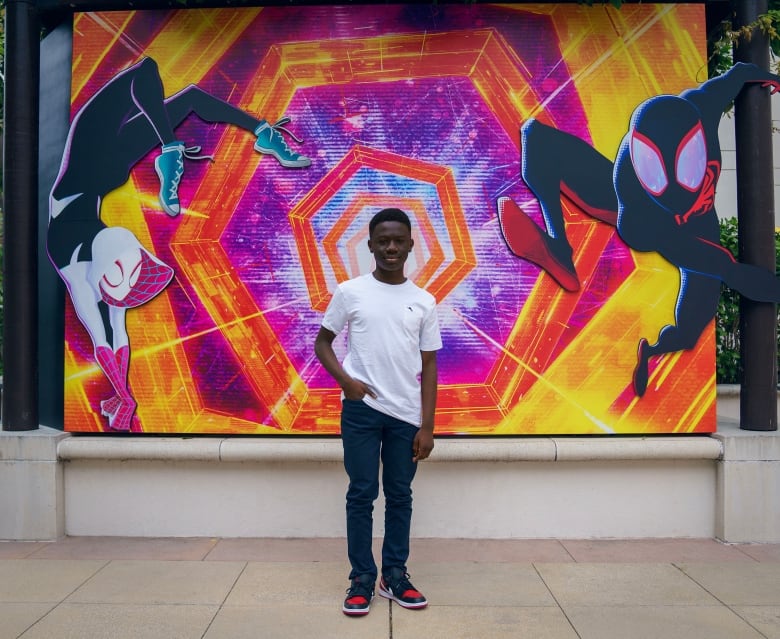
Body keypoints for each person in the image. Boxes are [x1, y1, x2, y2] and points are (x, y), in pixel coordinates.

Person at [47, 56, 310, 431]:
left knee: (148, 75)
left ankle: (172, 151)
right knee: (184, 97)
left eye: (129, 262)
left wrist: (123, 396)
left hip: (89, 169)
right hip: (105, 172)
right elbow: (111, 336)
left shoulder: (80, 270)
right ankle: (260, 132)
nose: (131, 259)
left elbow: (102, 333)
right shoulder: (106, 276)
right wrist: (122, 396)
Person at [497, 62, 780, 396]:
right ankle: (559, 248)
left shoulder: (704, 104)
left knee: (689, 330)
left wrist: (773, 78)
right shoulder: (628, 184)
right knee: (535, 138)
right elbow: (648, 240)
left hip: (698, 227)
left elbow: (741, 71)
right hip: (650, 222)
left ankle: (652, 350)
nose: (676, 183)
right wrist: (676, 216)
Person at [314, 208, 442, 616]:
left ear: (409, 245)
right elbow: (323, 343)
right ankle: (361, 580)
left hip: (406, 416)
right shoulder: (351, 292)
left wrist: (428, 426)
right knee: (361, 494)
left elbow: (430, 366)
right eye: (382, 240)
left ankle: (394, 575)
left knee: (400, 496)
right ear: (370, 246)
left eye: (398, 240)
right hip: (361, 412)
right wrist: (347, 383)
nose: (390, 247)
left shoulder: (423, 301)